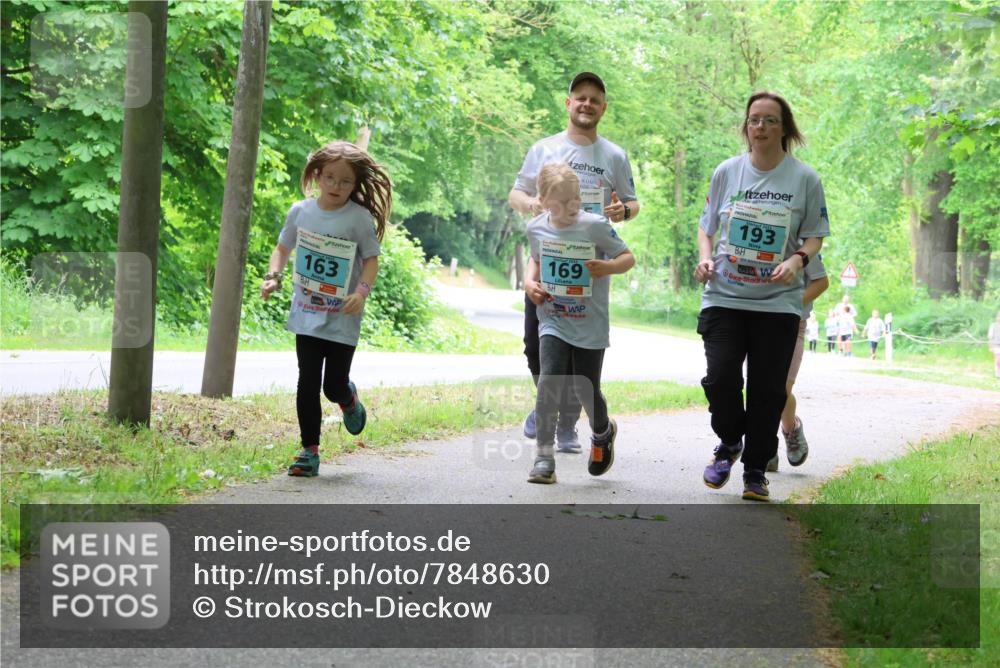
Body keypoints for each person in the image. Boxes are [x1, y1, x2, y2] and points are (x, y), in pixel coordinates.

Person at [694, 91, 829, 501]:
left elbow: (815, 236)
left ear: (784, 128)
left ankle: (755, 471)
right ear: (746, 126)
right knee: (720, 380)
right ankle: (730, 441)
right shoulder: (726, 172)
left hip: (777, 304)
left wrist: (798, 260)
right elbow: (706, 227)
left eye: (771, 120)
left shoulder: (804, 179)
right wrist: (704, 259)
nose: (761, 128)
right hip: (725, 296)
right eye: (755, 120)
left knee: (768, 391)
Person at [509, 72, 639, 454]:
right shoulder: (544, 149)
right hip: (546, 262)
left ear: (603, 108)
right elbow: (516, 193)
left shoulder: (614, 155)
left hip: (589, 268)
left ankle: (564, 423)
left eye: (594, 100)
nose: (586, 104)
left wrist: (623, 210)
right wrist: (533, 204)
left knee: (581, 355)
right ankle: (555, 407)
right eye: (580, 97)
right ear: (569, 103)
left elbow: (632, 202)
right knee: (536, 347)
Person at [260, 141, 392, 477]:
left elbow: (372, 260)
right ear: (317, 175)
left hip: (342, 315)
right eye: (330, 178)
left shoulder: (358, 218)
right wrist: (273, 277)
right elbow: (282, 248)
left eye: (345, 181)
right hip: (306, 312)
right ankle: (309, 451)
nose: (336, 186)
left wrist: (361, 292)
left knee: (332, 385)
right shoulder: (300, 212)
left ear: (355, 184)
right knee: (307, 381)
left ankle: (348, 399)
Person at [523, 163, 635, 483]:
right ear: (544, 201)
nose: (572, 207)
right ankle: (544, 458)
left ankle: (602, 431)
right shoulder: (536, 229)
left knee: (586, 390)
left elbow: (627, 257)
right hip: (553, 318)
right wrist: (530, 284)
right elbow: (536, 259)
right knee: (548, 384)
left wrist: (607, 267)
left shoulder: (595, 225)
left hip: (590, 324)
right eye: (562, 203)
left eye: (576, 199)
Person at [768, 256, 829, 472]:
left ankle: (790, 428)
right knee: (761, 386)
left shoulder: (803, 246)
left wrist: (791, 303)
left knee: (781, 387)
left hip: (794, 322)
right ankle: (765, 446)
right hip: (759, 322)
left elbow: (821, 282)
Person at [989, 310, 1000, 379]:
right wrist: (990, 346)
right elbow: (990, 337)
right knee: (998, 360)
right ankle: (998, 374)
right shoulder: (993, 325)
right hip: (995, 345)